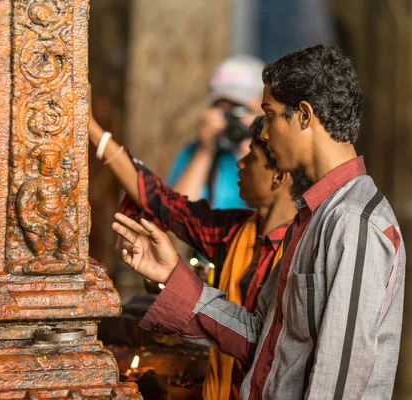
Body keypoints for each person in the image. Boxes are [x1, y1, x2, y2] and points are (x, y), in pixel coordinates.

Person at [111, 45, 406, 399]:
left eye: (269, 115)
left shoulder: (352, 222)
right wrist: (173, 276)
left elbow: (338, 385)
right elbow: (263, 338)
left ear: (304, 116)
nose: (263, 134)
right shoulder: (313, 215)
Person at [89, 102, 309, 397]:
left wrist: (175, 277)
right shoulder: (234, 230)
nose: (239, 165)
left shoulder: (304, 249)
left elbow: (266, 346)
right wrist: (91, 128)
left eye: (251, 158)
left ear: (278, 177)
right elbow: (160, 200)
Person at [168, 55, 265, 210]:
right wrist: (204, 151)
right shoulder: (193, 152)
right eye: (223, 111)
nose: (233, 120)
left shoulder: (280, 155)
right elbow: (178, 215)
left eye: (241, 110)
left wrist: (255, 153)